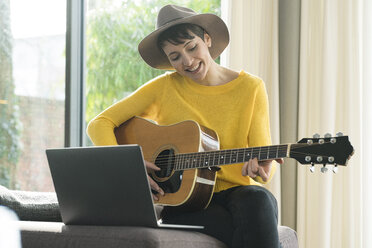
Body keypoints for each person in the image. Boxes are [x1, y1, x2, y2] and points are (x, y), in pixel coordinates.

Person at [87, 4, 283, 248]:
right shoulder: (163, 88)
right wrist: (130, 167)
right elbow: (99, 124)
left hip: (238, 195)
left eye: (192, 47)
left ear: (207, 39)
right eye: (175, 57)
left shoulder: (251, 88)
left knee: (260, 199)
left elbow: (264, 159)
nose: (188, 61)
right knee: (256, 218)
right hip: (183, 201)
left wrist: (264, 170)